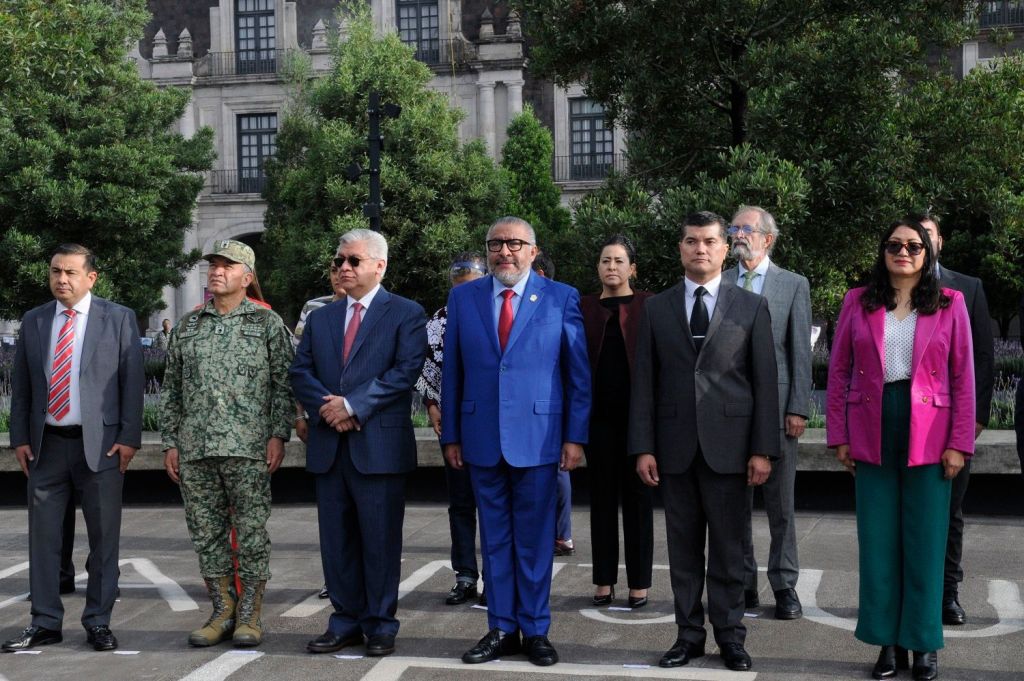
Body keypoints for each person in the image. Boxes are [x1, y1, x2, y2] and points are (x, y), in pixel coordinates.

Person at [826, 218, 975, 681]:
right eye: (894, 244)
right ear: (883, 252)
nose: (904, 252)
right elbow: (837, 372)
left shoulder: (951, 302)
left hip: (931, 431)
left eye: (914, 245)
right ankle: (887, 642)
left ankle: (924, 644)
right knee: (879, 543)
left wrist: (959, 443)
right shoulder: (858, 300)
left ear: (927, 253)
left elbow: (963, 377)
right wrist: (840, 435)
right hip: (872, 423)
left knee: (926, 543)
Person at [630, 211, 779, 672]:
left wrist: (763, 448)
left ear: (724, 248)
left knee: (731, 552)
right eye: (692, 241)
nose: (701, 248)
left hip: (732, 449)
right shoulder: (656, 308)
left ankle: (731, 637)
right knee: (683, 551)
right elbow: (644, 384)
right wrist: (643, 445)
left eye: (710, 241)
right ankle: (688, 636)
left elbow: (765, 383)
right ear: (681, 248)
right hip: (674, 448)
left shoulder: (750, 306)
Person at [440, 216, 590, 667]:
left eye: (514, 244)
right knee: (496, 540)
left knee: (535, 541)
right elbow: (453, 374)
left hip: (541, 440)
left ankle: (536, 629)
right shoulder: (463, 297)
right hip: (481, 438)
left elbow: (576, 374)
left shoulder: (560, 297)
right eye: (495, 244)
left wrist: (575, 437)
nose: (504, 252)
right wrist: (451, 434)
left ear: (532, 250)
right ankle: (501, 628)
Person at [291, 229, 427, 658]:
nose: (343, 268)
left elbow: (405, 372)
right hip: (331, 448)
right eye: (339, 261)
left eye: (353, 261)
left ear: (379, 265)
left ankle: (381, 624)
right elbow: (301, 371)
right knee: (336, 542)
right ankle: (345, 621)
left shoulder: (405, 313)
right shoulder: (322, 317)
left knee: (381, 542)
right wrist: (329, 409)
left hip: (379, 449)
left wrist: (351, 405)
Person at [3, 244, 144, 653]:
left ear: (91, 278)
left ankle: (98, 621)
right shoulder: (34, 321)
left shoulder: (117, 318)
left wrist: (129, 437)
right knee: (42, 540)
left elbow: (132, 382)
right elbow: (23, 387)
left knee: (103, 541)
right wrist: (21, 439)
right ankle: (44, 621)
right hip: (47, 448)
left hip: (100, 448)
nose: (61, 279)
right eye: (54, 272)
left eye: (69, 272)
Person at [160, 239, 294, 648]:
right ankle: (221, 610)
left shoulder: (267, 324)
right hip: (196, 449)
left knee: (251, 534)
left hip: (249, 447)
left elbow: (283, 385)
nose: (217, 271)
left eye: (228, 265)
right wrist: (171, 442)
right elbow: (172, 390)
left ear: (247, 277)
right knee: (206, 534)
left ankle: (250, 614)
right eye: (214, 265)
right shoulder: (188, 325)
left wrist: (278, 434)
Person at [724, 205, 812, 619]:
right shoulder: (719, 282)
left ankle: (784, 585)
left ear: (767, 239)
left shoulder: (792, 285)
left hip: (778, 412)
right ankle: (743, 583)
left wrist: (798, 406)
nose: (738, 234)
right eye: (734, 228)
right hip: (727, 413)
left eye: (746, 229)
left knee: (781, 505)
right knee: (735, 505)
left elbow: (798, 351)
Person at [913, 211, 994, 626]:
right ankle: (907, 595)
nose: (919, 244)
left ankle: (948, 593)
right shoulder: (891, 288)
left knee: (951, 511)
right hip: (909, 425)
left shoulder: (968, 288)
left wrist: (976, 418)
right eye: (913, 237)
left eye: (928, 236)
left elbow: (981, 357)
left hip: (953, 422)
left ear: (940, 241)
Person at [580, 235, 653, 608]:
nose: (612, 267)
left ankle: (639, 583)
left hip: (638, 421)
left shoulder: (648, 306)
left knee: (639, 501)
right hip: (598, 422)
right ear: (598, 267)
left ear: (632, 268)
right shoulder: (583, 307)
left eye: (619, 261)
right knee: (602, 503)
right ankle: (603, 581)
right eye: (606, 261)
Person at [414, 252, 488, 605]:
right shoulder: (439, 321)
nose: (463, 293)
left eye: (470, 285)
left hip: (490, 424)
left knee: (493, 504)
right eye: (457, 287)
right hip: (454, 426)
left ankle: (496, 575)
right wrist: (431, 406)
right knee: (460, 503)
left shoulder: (496, 314)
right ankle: (465, 575)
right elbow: (428, 371)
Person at [292, 252, 349, 600]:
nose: (340, 273)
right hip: (322, 420)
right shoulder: (315, 309)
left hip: (365, 423)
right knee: (331, 511)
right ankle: (335, 579)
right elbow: (299, 363)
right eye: (333, 268)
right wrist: (303, 413)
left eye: (348, 265)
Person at [531, 250, 575, 557]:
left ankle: (561, 533)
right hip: (530, 412)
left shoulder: (560, 302)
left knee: (558, 472)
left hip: (552, 408)